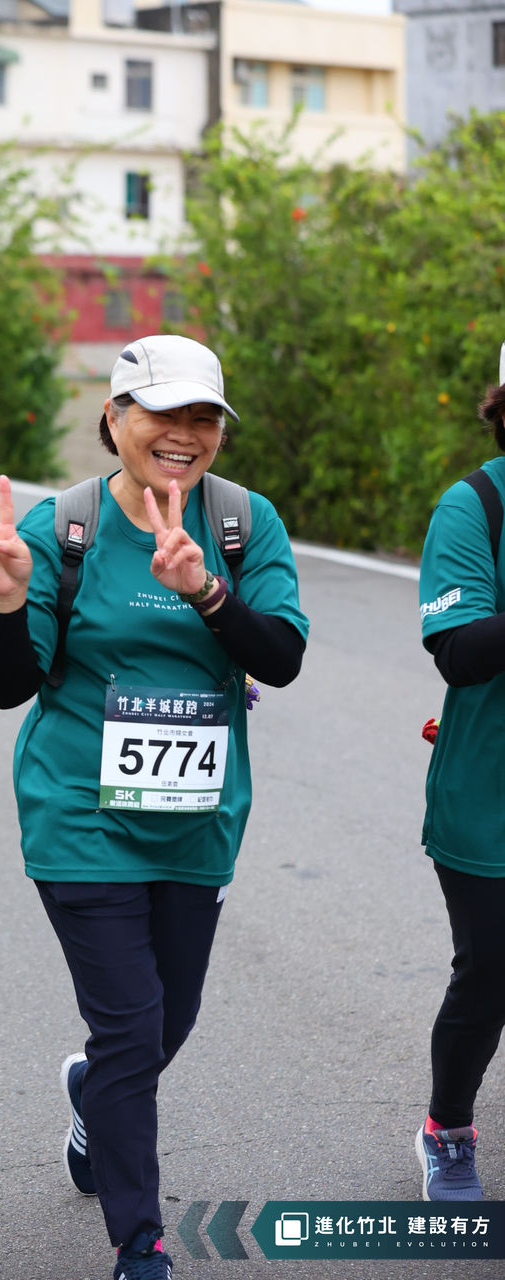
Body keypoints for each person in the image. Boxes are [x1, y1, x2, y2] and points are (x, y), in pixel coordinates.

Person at [0, 334, 309, 1279]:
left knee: (162, 1028)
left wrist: (203, 589)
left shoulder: (243, 523)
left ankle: (93, 1098)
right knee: (129, 1029)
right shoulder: (61, 528)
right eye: (162, 413)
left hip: (197, 820)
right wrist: (7, 602)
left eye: (203, 418)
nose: (183, 434)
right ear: (114, 417)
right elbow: (7, 686)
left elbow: (279, 657)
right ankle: (140, 1242)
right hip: (81, 817)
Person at [415, 350, 505, 1203]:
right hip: (488, 796)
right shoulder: (474, 504)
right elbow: (460, 650)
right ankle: (446, 1128)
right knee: (490, 976)